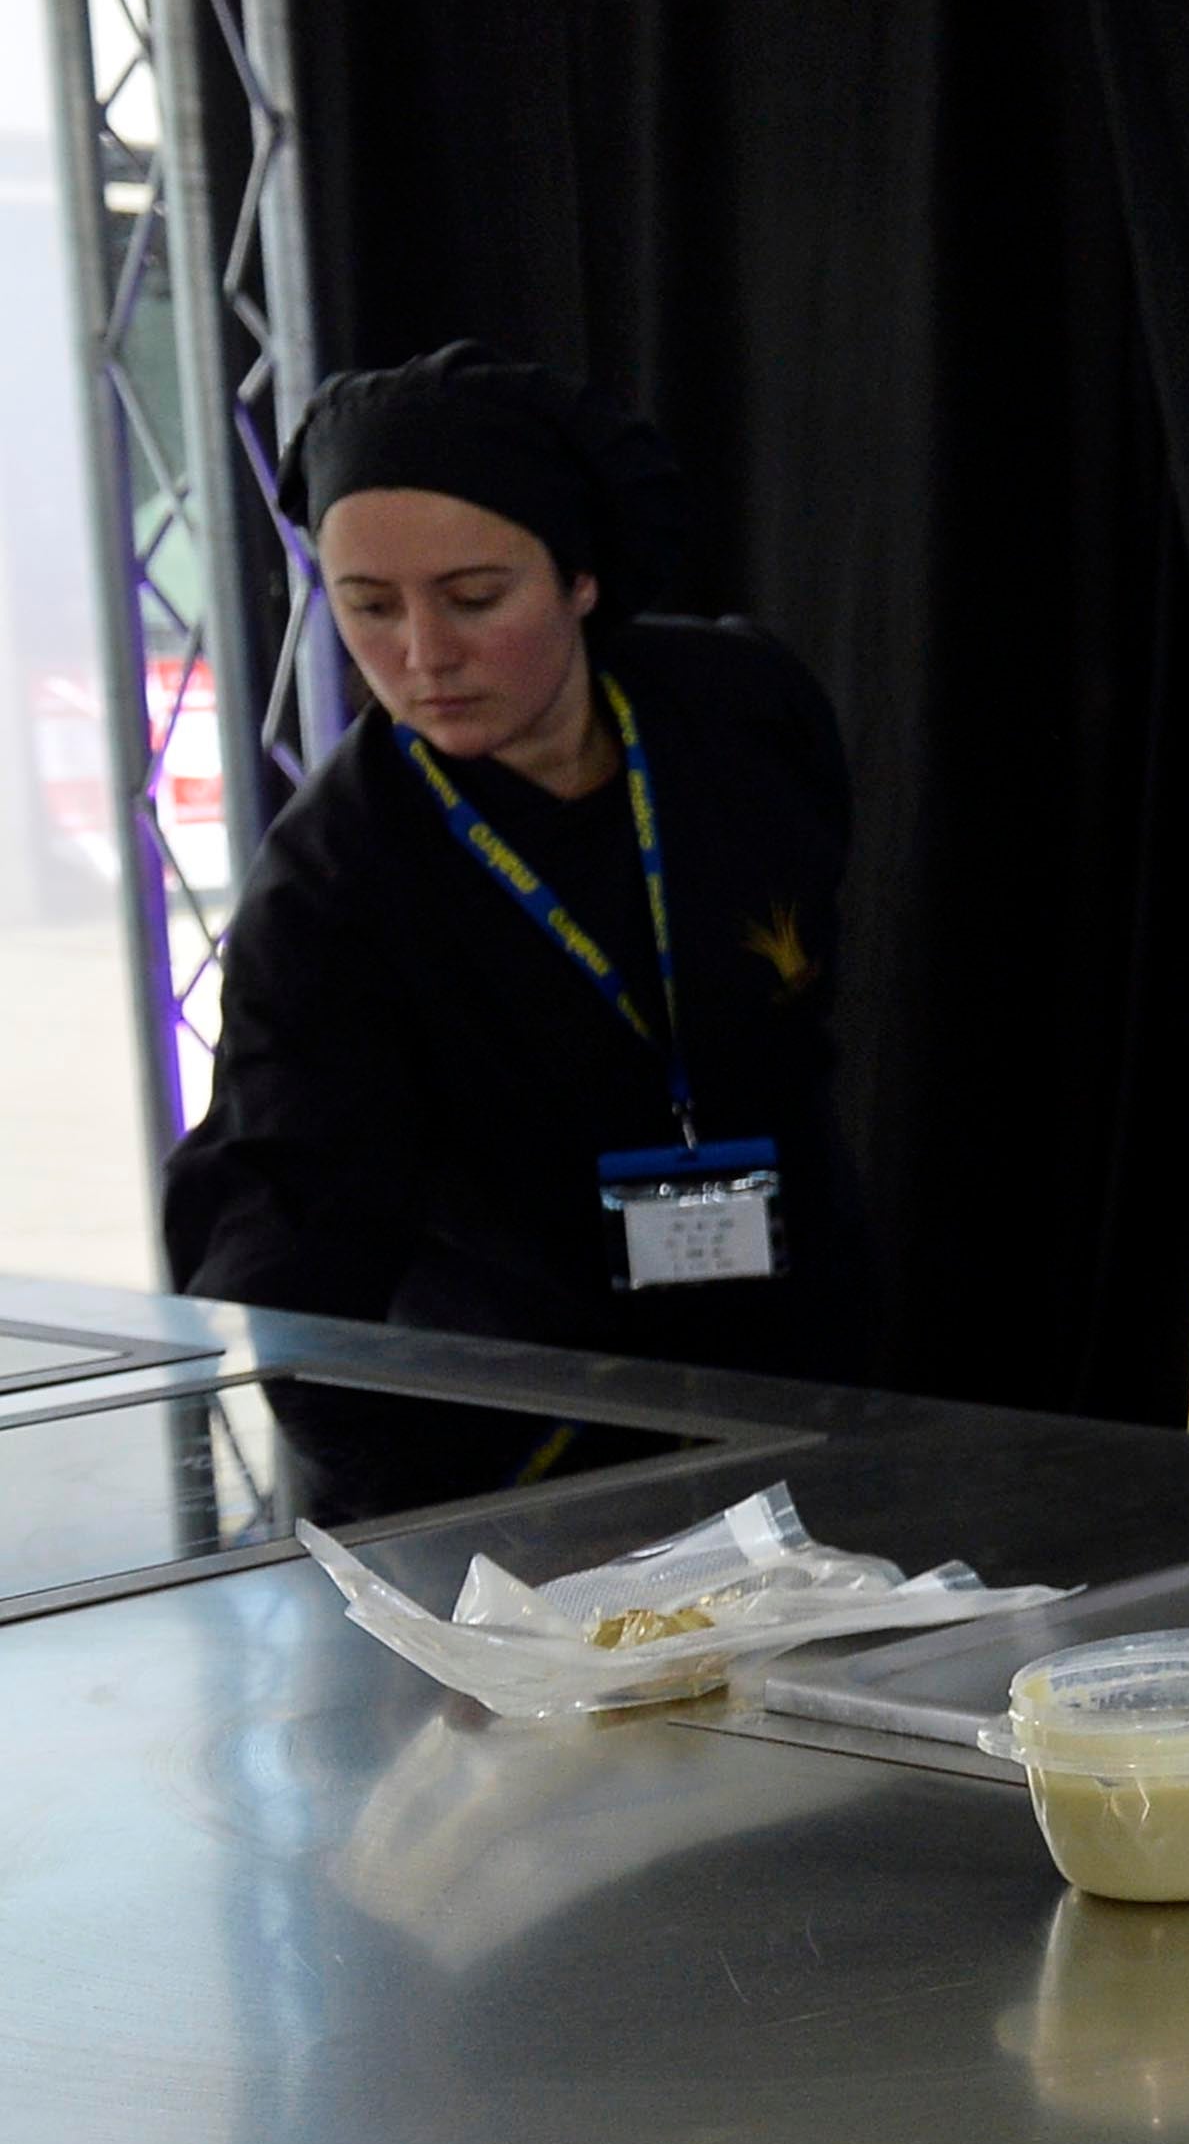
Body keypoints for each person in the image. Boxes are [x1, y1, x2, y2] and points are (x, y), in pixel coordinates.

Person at [171, 345, 882, 1382]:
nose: (423, 655)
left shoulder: (745, 710)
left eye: (472, 597)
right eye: (369, 605)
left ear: (581, 576)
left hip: (807, 1354)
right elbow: (285, 1236)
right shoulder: (332, 882)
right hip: (512, 1423)